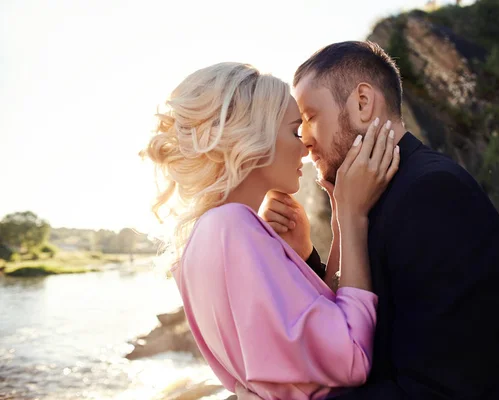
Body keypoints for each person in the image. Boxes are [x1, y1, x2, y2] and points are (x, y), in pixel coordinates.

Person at [238, 41, 499, 399]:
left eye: (310, 117)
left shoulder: (435, 193)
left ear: (363, 103)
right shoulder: (369, 193)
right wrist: (306, 255)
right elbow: (350, 328)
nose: (304, 140)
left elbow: (443, 389)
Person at [142, 62, 400, 400]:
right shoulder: (232, 227)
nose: (306, 145)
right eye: (294, 130)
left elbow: (306, 351)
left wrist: (311, 247)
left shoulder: (206, 237)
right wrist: (353, 217)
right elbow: (350, 357)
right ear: (254, 138)